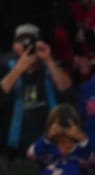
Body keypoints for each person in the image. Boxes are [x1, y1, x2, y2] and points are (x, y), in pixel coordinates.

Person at [0, 23, 73, 157]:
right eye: (21, 41)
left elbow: (67, 89)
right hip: (13, 151)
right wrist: (19, 68)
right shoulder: (5, 66)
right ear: (14, 46)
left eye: (31, 41)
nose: (26, 45)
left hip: (49, 147)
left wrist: (49, 60)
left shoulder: (48, 67)